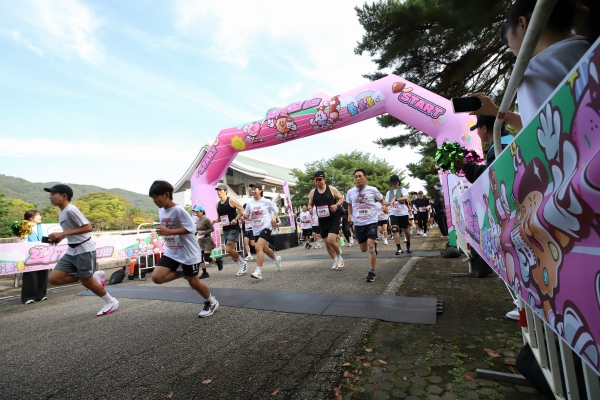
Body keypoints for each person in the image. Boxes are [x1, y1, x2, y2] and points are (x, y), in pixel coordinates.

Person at [471, 0, 595, 130]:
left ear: (522, 24)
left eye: (507, 40)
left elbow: (543, 136)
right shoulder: (590, 46)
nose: (510, 48)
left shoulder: (534, 73)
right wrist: (496, 111)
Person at [45, 184, 119, 316]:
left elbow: (87, 228)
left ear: (64, 196)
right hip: (71, 250)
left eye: (53, 194)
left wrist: (62, 233)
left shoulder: (71, 210)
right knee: (55, 279)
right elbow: (73, 230)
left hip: (84, 250)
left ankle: (111, 301)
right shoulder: (61, 212)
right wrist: (61, 237)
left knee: (86, 282)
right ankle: (91, 276)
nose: (50, 197)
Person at [149, 181, 218, 318]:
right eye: (153, 198)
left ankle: (211, 302)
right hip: (172, 251)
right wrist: (166, 232)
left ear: (166, 195)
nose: (155, 201)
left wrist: (168, 231)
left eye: (157, 197)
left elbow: (191, 228)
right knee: (157, 277)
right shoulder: (161, 210)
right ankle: (183, 273)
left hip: (188, 253)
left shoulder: (179, 210)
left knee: (194, 282)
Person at [346, 169, 384, 282]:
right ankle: (373, 246)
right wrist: (349, 215)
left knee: (370, 246)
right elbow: (349, 204)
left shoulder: (373, 190)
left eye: (360, 176)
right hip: (358, 223)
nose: (358, 179)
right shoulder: (350, 192)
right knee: (363, 249)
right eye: (356, 177)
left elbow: (381, 200)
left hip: (371, 221)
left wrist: (384, 206)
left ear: (365, 177)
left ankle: (372, 272)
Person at [242, 183, 282, 279]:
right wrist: (246, 216)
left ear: (260, 190)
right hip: (256, 229)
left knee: (258, 247)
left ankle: (258, 271)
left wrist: (275, 218)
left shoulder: (266, 201)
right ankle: (276, 259)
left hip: (266, 227)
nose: (253, 191)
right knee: (265, 249)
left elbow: (275, 210)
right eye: (252, 189)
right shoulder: (250, 203)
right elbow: (244, 214)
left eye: (255, 189)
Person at [308, 171, 345, 270]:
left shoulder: (331, 189)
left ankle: (339, 257)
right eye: (315, 180)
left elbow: (341, 198)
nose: (317, 181)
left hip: (333, 218)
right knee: (327, 244)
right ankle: (335, 260)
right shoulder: (313, 192)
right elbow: (310, 204)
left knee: (331, 240)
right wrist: (310, 208)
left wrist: (336, 205)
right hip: (322, 220)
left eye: (319, 179)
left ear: (324, 179)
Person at [213, 184, 247, 276]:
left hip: (234, 228)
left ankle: (243, 263)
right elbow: (220, 218)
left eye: (220, 190)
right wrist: (214, 221)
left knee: (228, 249)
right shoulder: (217, 205)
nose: (219, 192)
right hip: (225, 229)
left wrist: (236, 219)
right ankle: (240, 266)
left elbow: (242, 209)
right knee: (231, 250)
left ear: (226, 191)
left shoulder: (231, 200)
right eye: (217, 190)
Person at [21, 210, 49, 304]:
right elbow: (22, 241)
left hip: (42, 253)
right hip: (29, 254)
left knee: (43, 273)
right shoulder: (24, 227)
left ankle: (41, 294)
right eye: (38, 215)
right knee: (30, 275)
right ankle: (29, 297)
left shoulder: (40, 226)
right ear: (31, 218)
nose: (40, 217)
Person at [193, 205, 223, 279]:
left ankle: (218, 261)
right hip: (201, 241)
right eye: (195, 212)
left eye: (198, 212)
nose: (196, 213)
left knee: (206, 258)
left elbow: (212, 229)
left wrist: (203, 233)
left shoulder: (206, 219)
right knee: (200, 258)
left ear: (202, 212)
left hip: (207, 240)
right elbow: (199, 230)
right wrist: (196, 233)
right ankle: (205, 273)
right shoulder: (198, 220)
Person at [385, 175, 412, 254]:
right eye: (392, 184)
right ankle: (399, 248)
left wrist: (396, 199)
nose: (394, 185)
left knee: (405, 229)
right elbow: (386, 203)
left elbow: (406, 197)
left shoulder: (403, 189)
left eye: (395, 183)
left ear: (398, 182)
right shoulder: (389, 192)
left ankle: (408, 244)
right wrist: (388, 204)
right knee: (394, 229)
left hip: (403, 213)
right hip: (393, 213)